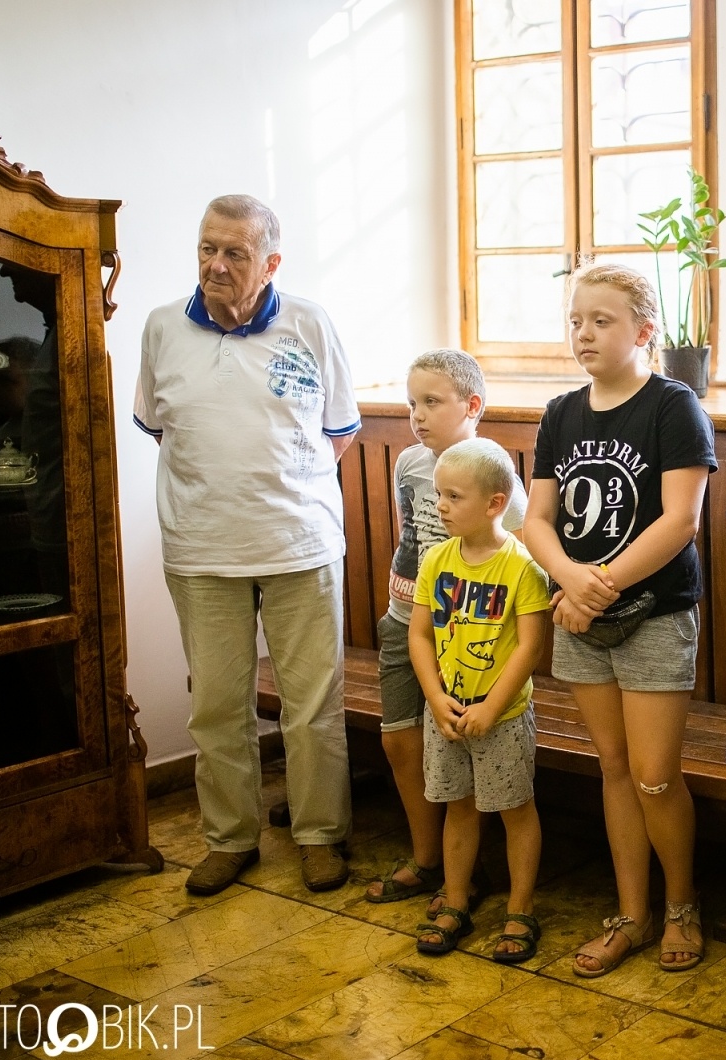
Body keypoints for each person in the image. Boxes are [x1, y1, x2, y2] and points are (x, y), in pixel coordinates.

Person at [134, 194, 360, 896]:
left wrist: (285, 486)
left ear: (270, 262)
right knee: (217, 706)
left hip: (301, 544)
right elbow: (159, 425)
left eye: (235, 252)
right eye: (207, 248)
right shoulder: (163, 327)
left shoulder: (309, 323)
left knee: (312, 703)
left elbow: (340, 429)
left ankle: (320, 835)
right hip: (201, 550)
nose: (216, 264)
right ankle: (230, 839)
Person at [523, 262, 717, 977]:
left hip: (654, 615)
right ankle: (631, 915)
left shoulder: (672, 405)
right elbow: (537, 519)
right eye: (576, 320)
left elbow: (680, 523)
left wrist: (592, 588)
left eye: (601, 321)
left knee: (656, 775)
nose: (584, 334)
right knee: (613, 768)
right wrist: (571, 582)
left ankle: (682, 906)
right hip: (579, 615)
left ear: (643, 330)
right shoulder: (560, 414)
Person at [365, 349, 527, 912]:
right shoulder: (410, 463)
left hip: (466, 633)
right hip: (405, 621)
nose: (418, 414)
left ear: (472, 405)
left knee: (466, 750)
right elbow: (408, 533)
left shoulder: (492, 476)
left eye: (432, 402)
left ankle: (468, 869)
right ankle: (426, 858)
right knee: (400, 739)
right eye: (412, 403)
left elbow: (519, 552)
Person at [408, 438, 549, 960]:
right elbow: (420, 635)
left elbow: (530, 646)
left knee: (514, 808)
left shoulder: (521, 568)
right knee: (459, 808)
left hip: (503, 716)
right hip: (446, 711)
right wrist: (435, 698)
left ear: (494, 504)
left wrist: (491, 707)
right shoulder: (436, 561)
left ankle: (519, 908)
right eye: (439, 494)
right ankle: (457, 899)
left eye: (454, 496)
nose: (440, 505)